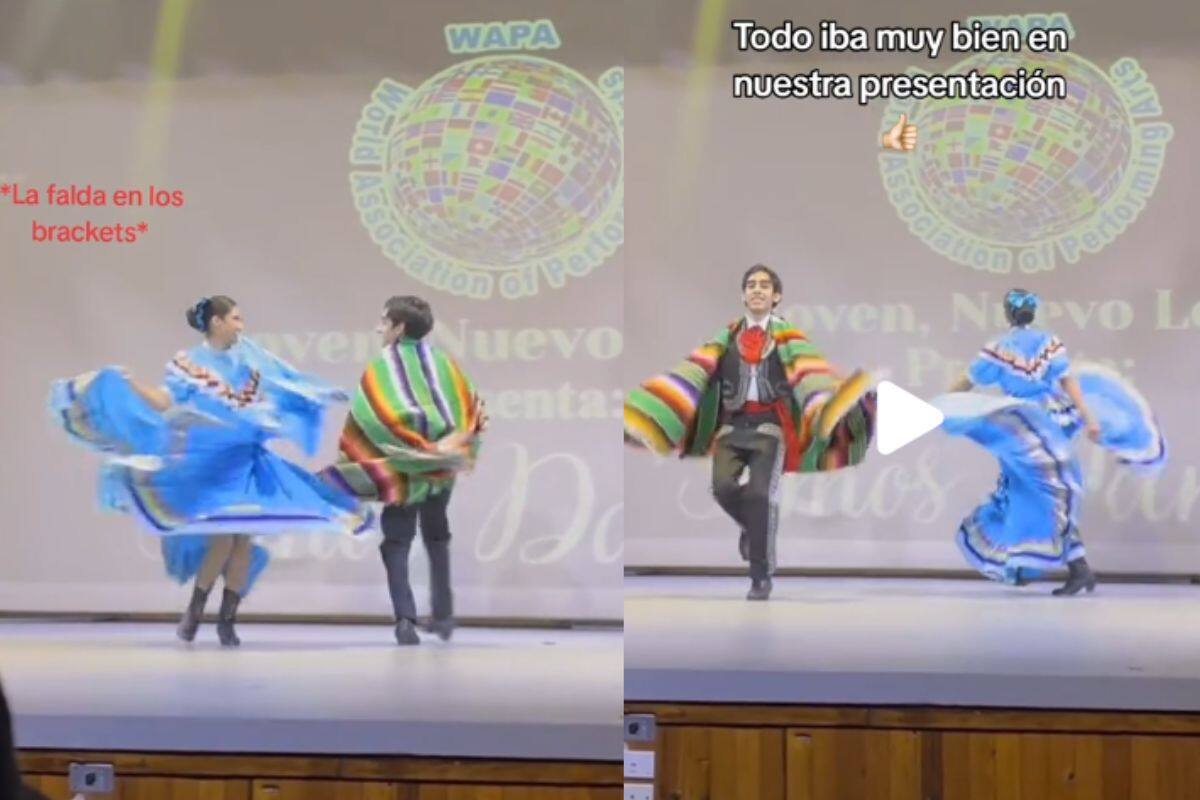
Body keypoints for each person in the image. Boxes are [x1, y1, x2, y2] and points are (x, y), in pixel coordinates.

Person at [49, 295, 370, 646]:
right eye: (235, 318)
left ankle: (226, 620)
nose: (241, 325)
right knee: (223, 538)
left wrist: (312, 396)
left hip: (245, 461)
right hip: (209, 464)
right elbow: (165, 401)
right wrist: (130, 384)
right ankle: (196, 612)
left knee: (242, 537)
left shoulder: (250, 358)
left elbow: (285, 383)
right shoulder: (187, 363)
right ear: (216, 322)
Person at [624, 265, 877, 600]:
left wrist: (838, 402)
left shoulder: (790, 341)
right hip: (732, 427)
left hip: (770, 430)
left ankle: (760, 575)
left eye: (764, 285)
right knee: (723, 488)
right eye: (751, 285)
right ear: (744, 295)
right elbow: (692, 373)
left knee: (760, 496)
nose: (757, 290)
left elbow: (814, 377)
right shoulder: (724, 340)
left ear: (777, 296)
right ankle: (750, 526)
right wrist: (653, 409)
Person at [938, 288, 1167, 594]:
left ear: (1008, 313)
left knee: (1034, 493)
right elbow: (1067, 381)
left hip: (1024, 425)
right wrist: (1087, 415)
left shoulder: (999, 348)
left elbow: (966, 380)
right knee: (1042, 493)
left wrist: (943, 403)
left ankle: (1049, 566)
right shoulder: (1048, 343)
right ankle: (1041, 566)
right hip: (1054, 418)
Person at [321, 296, 485, 645]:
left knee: (397, 540)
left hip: (401, 470)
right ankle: (443, 615)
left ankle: (405, 620)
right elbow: (469, 408)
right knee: (437, 536)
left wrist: (408, 451)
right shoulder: (446, 364)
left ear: (399, 327)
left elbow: (370, 416)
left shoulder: (381, 365)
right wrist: (444, 450)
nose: (379, 328)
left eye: (384, 321)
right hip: (441, 470)